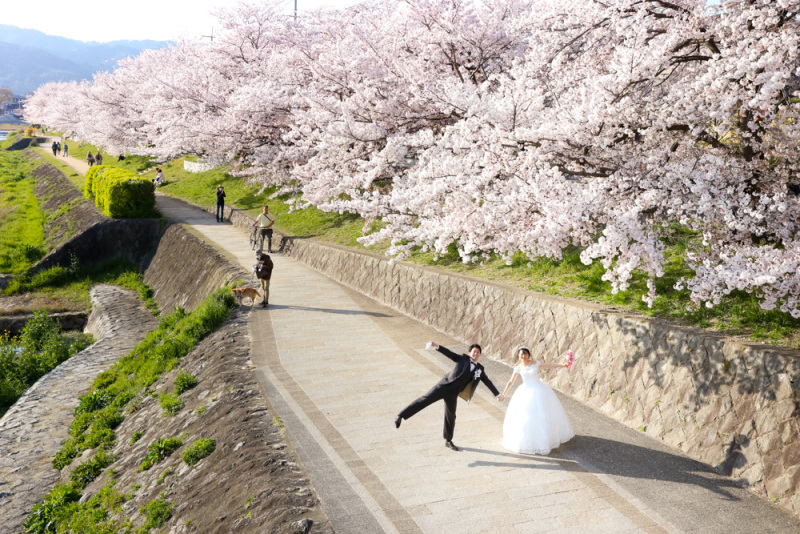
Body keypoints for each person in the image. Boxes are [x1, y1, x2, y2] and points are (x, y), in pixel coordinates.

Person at [396, 342, 502, 451]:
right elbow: (449, 354)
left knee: (451, 416)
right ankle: (401, 416)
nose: (476, 354)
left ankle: (448, 440)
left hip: (453, 393)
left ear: (480, 355)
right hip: (443, 386)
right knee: (425, 399)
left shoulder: (479, 369)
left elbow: (487, 382)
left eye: (478, 352)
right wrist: (436, 346)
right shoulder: (462, 358)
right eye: (474, 351)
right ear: (469, 352)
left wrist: (497, 394)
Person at [498, 346, 574, 455]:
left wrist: (562, 365)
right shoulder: (518, 367)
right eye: (521, 354)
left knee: (543, 414)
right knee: (526, 417)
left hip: (539, 390)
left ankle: (545, 439)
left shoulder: (535, 363)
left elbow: (548, 365)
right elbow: (510, 382)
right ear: (518, 356)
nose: (523, 356)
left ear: (528, 355)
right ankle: (529, 440)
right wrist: (503, 395)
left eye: (525, 354)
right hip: (525, 392)